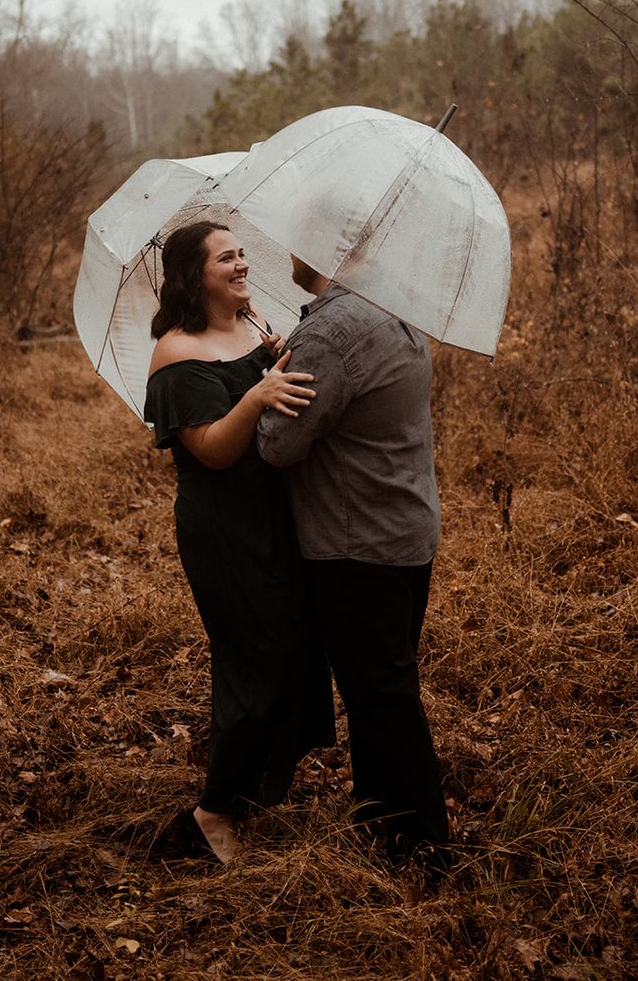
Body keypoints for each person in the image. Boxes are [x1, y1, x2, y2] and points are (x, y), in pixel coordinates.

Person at [143, 221, 334, 864]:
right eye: (226, 257)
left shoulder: (249, 327)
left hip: (275, 517)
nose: (242, 264)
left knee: (295, 647)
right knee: (254, 661)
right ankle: (211, 815)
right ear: (195, 277)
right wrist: (256, 394)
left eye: (243, 252)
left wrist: (272, 360)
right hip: (225, 530)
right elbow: (216, 451)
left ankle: (254, 786)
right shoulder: (176, 353)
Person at [257, 255, 449, 873]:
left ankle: (423, 844)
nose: (286, 251)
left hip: (356, 540)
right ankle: (379, 818)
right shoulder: (396, 305)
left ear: (321, 247)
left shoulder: (331, 332)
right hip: (404, 527)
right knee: (379, 686)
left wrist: (262, 390)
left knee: (383, 693)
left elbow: (280, 445)